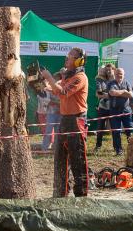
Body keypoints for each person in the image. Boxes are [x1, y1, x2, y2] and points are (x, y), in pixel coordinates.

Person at [42, 48, 89, 198]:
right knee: (60, 157)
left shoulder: (80, 77)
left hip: (76, 120)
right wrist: (42, 84)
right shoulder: (67, 76)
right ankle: (60, 192)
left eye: (70, 58)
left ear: (78, 61)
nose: (67, 60)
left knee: (78, 159)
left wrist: (49, 78)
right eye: (67, 57)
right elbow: (55, 88)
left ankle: (81, 195)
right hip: (64, 118)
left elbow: (62, 92)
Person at [107, 68, 133, 156]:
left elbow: (131, 95)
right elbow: (112, 92)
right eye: (117, 73)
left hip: (126, 110)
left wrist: (120, 93)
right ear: (114, 73)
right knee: (116, 131)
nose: (119, 75)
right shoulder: (111, 83)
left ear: (124, 74)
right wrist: (124, 91)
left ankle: (132, 148)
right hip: (114, 111)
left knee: (129, 129)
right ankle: (118, 149)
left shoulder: (126, 83)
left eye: (121, 73)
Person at [94, 63, 115, 151]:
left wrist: (106, 94)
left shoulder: (117, 81)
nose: (108, 71)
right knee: (100, 128)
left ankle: (116, 147)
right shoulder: (101, 80)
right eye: (107, 70)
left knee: (114, 128)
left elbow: (119, 94)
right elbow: (98, 94)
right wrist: (111, 95)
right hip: (102, 107)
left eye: (110, 69)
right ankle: (98, 146)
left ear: (114, 69)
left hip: (113, 107)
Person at [42, 72, 62, 150]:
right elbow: (47, 101)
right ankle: (44, 149)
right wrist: (57, 103)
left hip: (60, 113)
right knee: (48, 132)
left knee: (58, 132)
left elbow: (62, 101)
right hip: (51, 113)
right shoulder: (50, 87)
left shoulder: (63, 87)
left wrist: (56, 103)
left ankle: (56, 148)